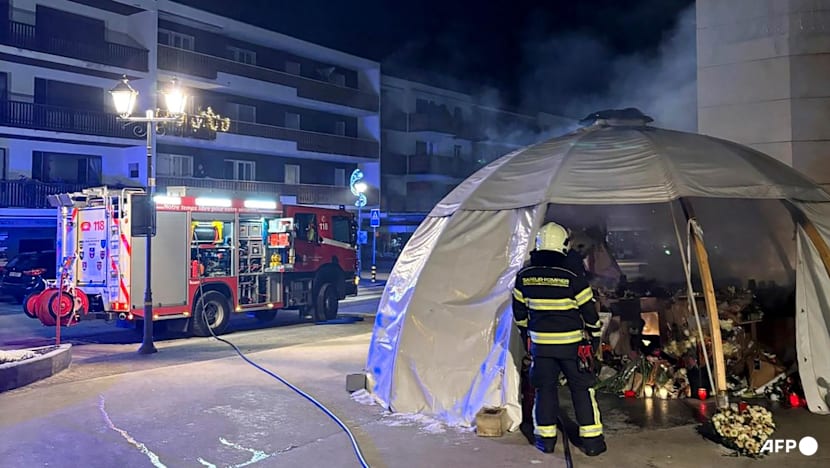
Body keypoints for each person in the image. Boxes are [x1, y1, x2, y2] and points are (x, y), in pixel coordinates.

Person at [512, 222, 606, 456]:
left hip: (541, 348)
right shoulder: (571, 276)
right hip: (572, 347)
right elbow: (589, 312)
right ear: (564, 246)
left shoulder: (524, 276)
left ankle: (545, 441)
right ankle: (592, 442)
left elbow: (520, 314)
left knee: (544, 390)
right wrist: (594, 337)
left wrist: (528, 337)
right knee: (582, 390)